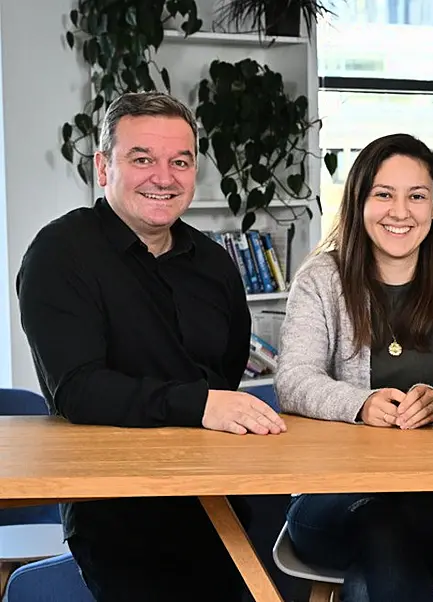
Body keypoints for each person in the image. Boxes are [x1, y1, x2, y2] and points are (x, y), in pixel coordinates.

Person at [16, 92, 286, 601]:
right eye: (142, 159)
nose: (163, 177)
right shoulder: (59, 254)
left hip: (222, 495)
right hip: (119, 509)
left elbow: (225, 372)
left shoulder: (213, 264)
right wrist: (199, 404)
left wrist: (210, 405)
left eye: (179, 162)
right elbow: (78, 389)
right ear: (102, 166)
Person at [274, 133, 433, 602]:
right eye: (384, 195)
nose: (401, 211)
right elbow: (293, 379)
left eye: (417, 196)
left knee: (375, 564)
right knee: (383, 528)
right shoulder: (321, 279)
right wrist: (360, 404)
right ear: (359, 202)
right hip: (334, 502)